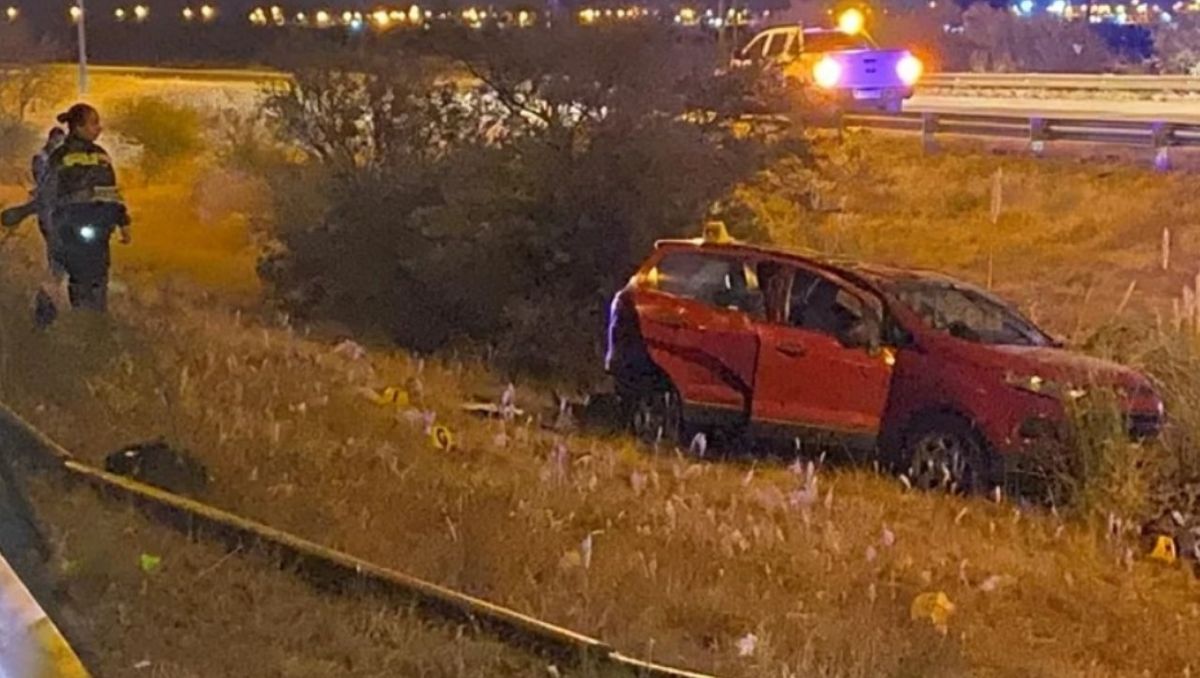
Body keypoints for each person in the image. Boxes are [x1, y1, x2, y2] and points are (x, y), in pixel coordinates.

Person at [43, 103, 131, 312]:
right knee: (76, 279)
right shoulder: (60, 156)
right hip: (71, 228)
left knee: (100, 279)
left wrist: (123, 222)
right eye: (93, 123)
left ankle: (96, 323)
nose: (99, 128)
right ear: (78, 127)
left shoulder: (102, 155)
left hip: (100, 229)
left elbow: (112, 191)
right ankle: (76, 320)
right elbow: (49, 194)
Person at [32, 127, 66, 277]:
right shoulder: (41, 158)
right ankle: (53, 280)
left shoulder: (61, 158)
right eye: (57, 141)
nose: (59, 144)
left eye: (61, 142)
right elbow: (42, 182)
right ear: (50, 139)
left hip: (60, 207)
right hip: (47, 208)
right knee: (54, 245)